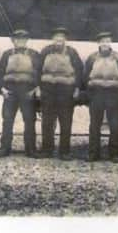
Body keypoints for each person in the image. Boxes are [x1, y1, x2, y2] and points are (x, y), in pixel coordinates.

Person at [83, 32, 118, 162]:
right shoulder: (92, 58)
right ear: (99, 43)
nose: (105, 44)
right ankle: (93, 153)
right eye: (102, 41)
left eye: (107, 41)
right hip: (96, 95)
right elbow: (85, 77)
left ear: (110, 43)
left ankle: (114, 154)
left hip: (113, 95)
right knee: (94, 125)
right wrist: (89, 94)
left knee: (114, 125)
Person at [39, 27, 83, 160]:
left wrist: (77, 88)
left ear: (65, 39)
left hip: (66, 91)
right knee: (47, 122)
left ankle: (65, 151)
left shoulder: (72, 52)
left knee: (65, 122)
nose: (59, 39)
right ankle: (47, 150)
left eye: (61, 37)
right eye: (56, 37)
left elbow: (79, 70)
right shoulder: (45, 51)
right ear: (53, 39)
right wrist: (38, 87)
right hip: (48, 90)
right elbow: (37, 69)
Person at [0, 29, 41, 158]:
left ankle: (31, 150)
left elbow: (39, 72)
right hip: (10, 92)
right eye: (17, 39)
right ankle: (4, 149)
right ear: (13, 41)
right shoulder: (6, 54)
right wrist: (2, 89)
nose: (20, 41)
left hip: (27, 91)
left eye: (23, 39)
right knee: (7, 120)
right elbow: (0, 73)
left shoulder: (34, 54)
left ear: (26, 40)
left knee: (29, 121)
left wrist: (35, 89)